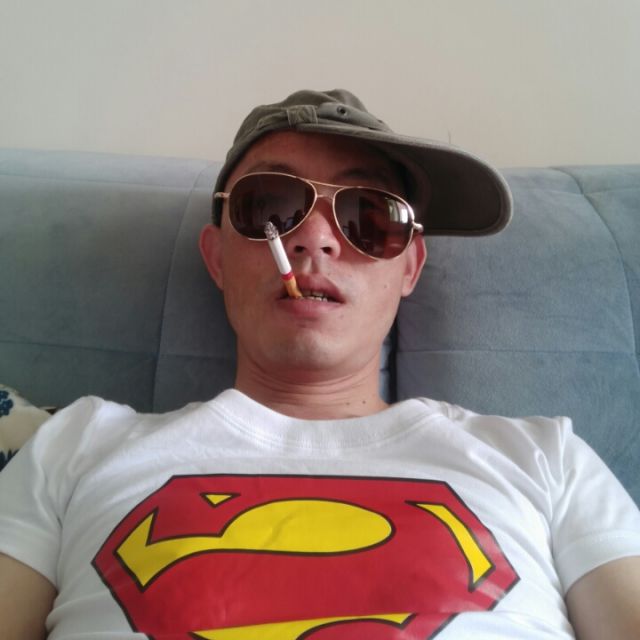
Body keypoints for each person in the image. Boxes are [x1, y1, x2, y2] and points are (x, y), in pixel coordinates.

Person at [1, 89, 639, 640]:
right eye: (268, 207)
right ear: (217, 257)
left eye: (370, 217)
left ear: (410, 267)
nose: (314, 237)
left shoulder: (545, 459)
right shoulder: (76, 445)